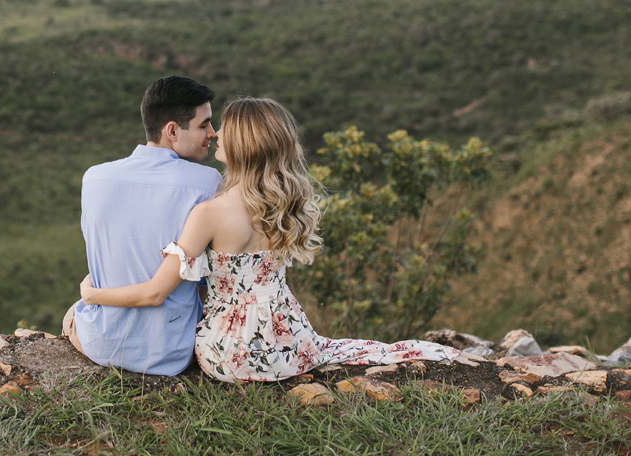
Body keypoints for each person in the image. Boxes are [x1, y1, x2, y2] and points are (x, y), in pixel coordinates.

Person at [80, 97, 458, 382]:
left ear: (243, 142)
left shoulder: (209, 213)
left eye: (224, 127)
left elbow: (154, 292)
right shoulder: (280, 204)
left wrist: (92, 295)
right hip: (289, 343)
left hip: (227, 354)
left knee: (81, 319)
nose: (216, 134)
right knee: (342, 348)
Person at [63, 75, 221, 376]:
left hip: (100, 344)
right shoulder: (206, 183)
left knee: (73, 313)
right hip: (171, 353)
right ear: (172, 131)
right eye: (204, 124)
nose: (212, 133)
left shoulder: (94, 178)